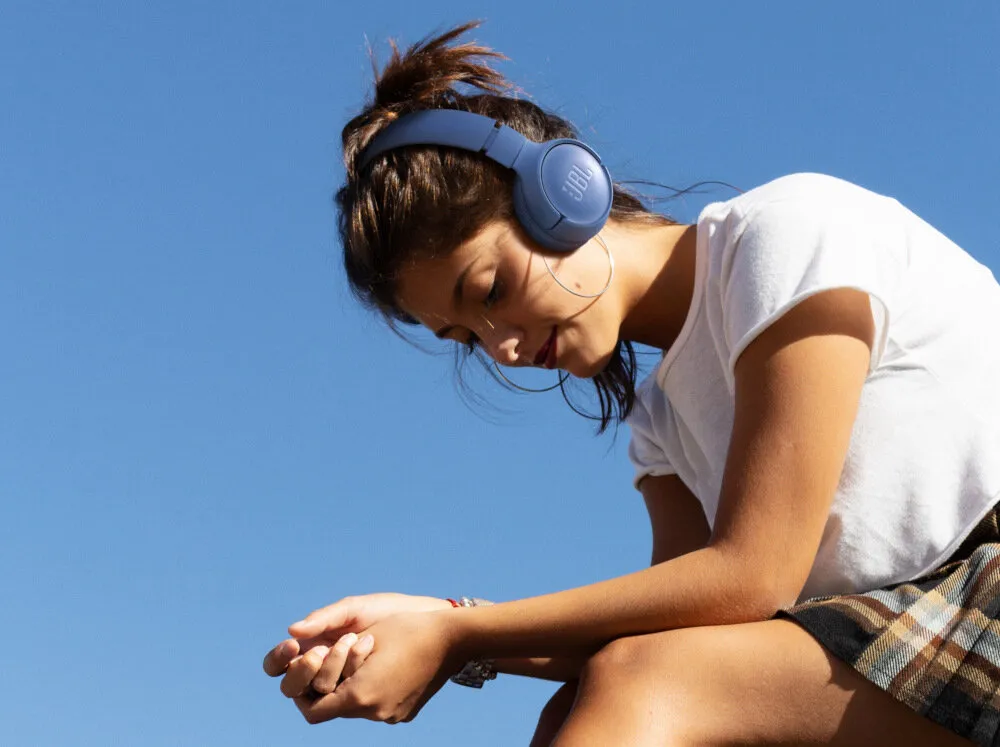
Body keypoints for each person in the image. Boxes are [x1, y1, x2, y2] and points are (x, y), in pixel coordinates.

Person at [262, 22, 1000, 746]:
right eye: (467, 338)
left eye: (489, 290)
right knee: (590, 693)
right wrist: (437, 623)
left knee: (646, 680)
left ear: (563, 192)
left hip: (982, 587)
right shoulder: (662, 422)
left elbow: (752, 576)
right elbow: (676, 619)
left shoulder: (786, 234)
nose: (504, 349)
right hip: (893, 637)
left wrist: (461, 633)